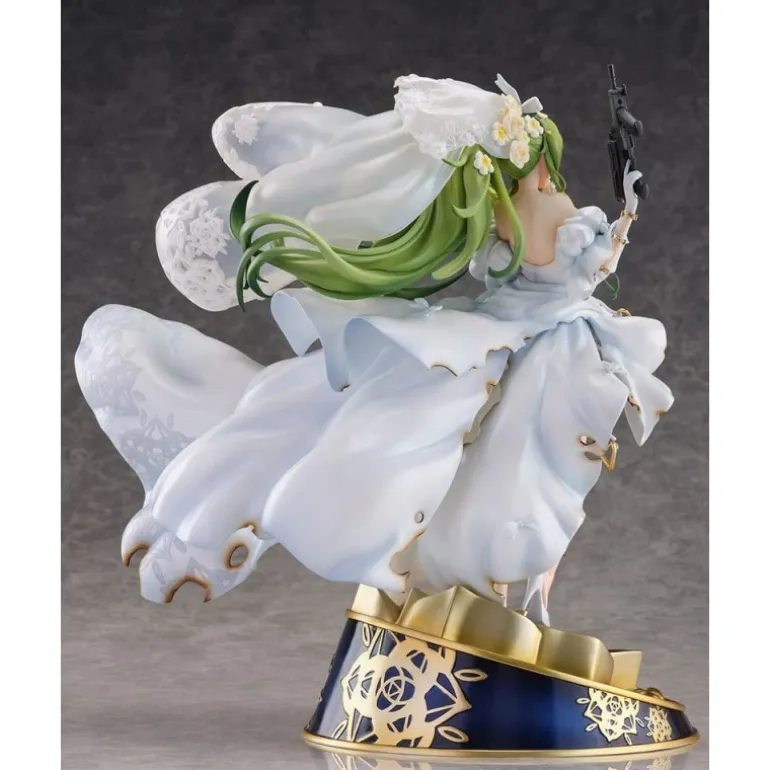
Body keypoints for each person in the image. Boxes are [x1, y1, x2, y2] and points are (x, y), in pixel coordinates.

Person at [75, 74, 672, 625]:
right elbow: (581, 267)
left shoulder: (532, 207)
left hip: (550, 340)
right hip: (533, 343)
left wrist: (625, 209)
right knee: (489, 459)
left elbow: (584, 266)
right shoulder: (527, 213)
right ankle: (480, 583)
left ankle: (499, 591)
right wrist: (622, 213)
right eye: (540, 165)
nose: (549, 178)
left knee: (516, 465)